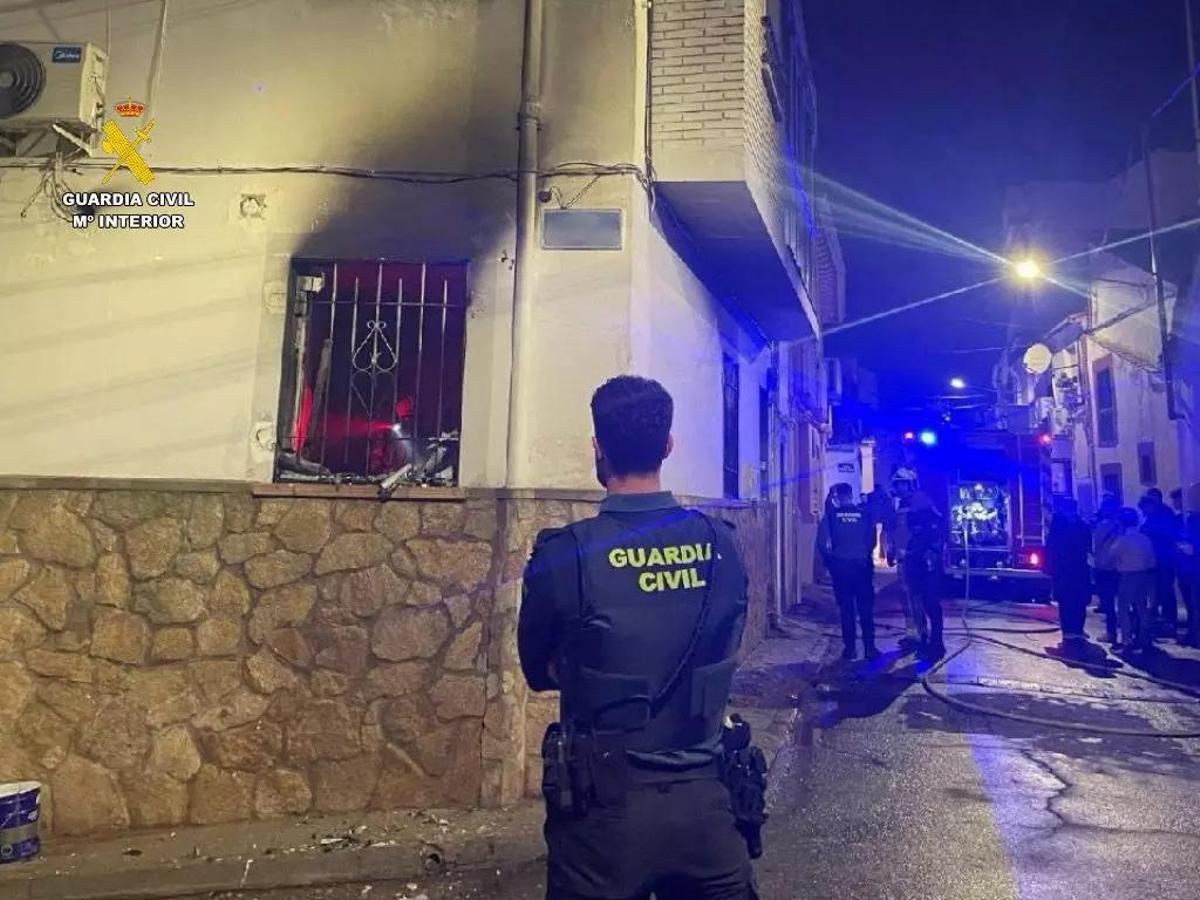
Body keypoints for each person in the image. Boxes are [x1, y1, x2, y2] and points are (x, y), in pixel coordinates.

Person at [518, 375, 758, 900]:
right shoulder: (722, 545)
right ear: (668, 446)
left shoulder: (565, 554)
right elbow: (728, 639)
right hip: (708, 812)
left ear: (597, 448)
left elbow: (537, 670)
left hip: (603, 824)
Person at [818, 482, 881, 661]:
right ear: (851, 495)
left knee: (847, 609)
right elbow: (872, 540)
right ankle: (870, 648)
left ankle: (850, 649)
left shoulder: (830, 516)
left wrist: (830, 563)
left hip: (841, 569)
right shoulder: (864, 515)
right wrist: (865, 555)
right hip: (862, 567)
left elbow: (822, 544)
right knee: (866, 609)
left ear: (837, 497)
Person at [1045, 496, 1094, 647]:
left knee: (1071, 599)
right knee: (1071, 599)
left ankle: (1073, 631)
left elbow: (1052, 544)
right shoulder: (1080, 524)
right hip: (1075, 568)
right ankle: (1073, 630)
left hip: (1067, 568)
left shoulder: (1059, 524)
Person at [904, 491, 947, 659]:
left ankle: (936, 644)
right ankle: (929, 642)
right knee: (924, 606)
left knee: (931, 606)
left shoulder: (931, 519)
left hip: (927, 571)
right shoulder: (920, 517)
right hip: (921, 570)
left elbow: (929, 544)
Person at [1112, 506, 1157, 655]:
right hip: (1144, 576)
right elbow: (1152, 561)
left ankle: (1127, 642)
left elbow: (1112, 554)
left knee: (1124, 610)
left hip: (1128, 577)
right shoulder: (1145, 539)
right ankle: (1145, 640)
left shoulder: (1123, 540)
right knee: (1142, 609)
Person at [1139, 489, 1181, 638]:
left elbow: (1161, 535)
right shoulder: (1156, 516)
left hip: (1163, 559)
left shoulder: (1163, 516)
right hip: (1156, 559)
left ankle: (1168, 621)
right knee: (1157, 590)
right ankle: (1160, 619)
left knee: (1165, 590)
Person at [1091, 494, 1123, 644]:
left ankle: (1111, 633)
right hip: (1119, 568)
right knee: (1123, 602)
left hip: (1104, 568)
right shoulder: (1120, 526)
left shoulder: (1102, 526)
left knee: (1108, 603)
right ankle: (1129, 633)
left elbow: (1096, 546)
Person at [1181, 483, 1200, 648]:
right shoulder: (1192, 519)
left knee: (1195, 604)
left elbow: (1191, 546)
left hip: (1195, 568)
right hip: (1192, 569)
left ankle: (1195, 635)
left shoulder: (1194, 520)